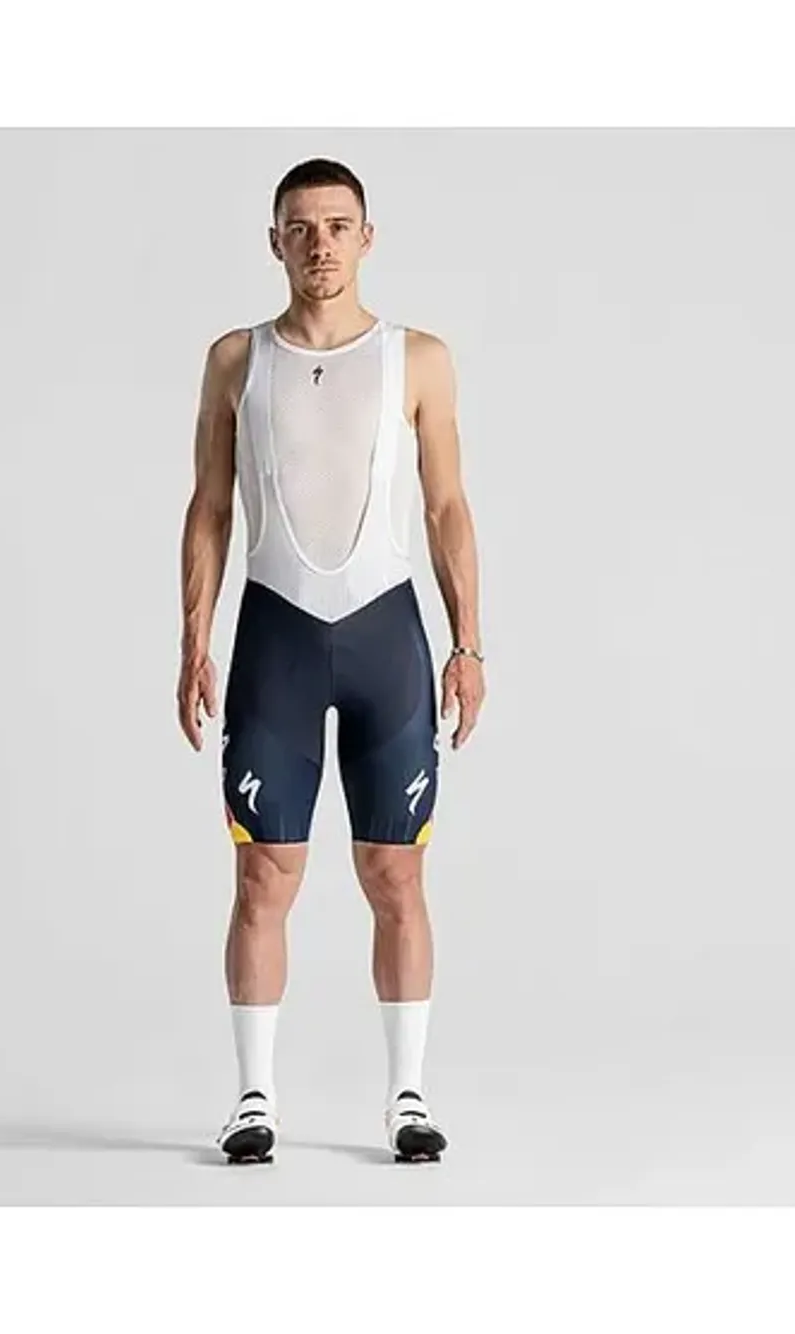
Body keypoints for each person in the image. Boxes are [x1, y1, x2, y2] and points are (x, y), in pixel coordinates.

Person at [176, 157, 486, 1165]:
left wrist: (469, 643)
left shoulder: (417, 359)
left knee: (396, 873)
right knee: (263, 874)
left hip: (386, 637)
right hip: (276, 636)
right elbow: (209, 507)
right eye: (302, 228)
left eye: (338, 226)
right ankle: (252, 1098)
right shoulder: (236, 359)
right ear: (276, 241)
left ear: (367, 237)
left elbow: (446, 506)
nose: (321, 244)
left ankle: (408, 1097)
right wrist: (192, 640)